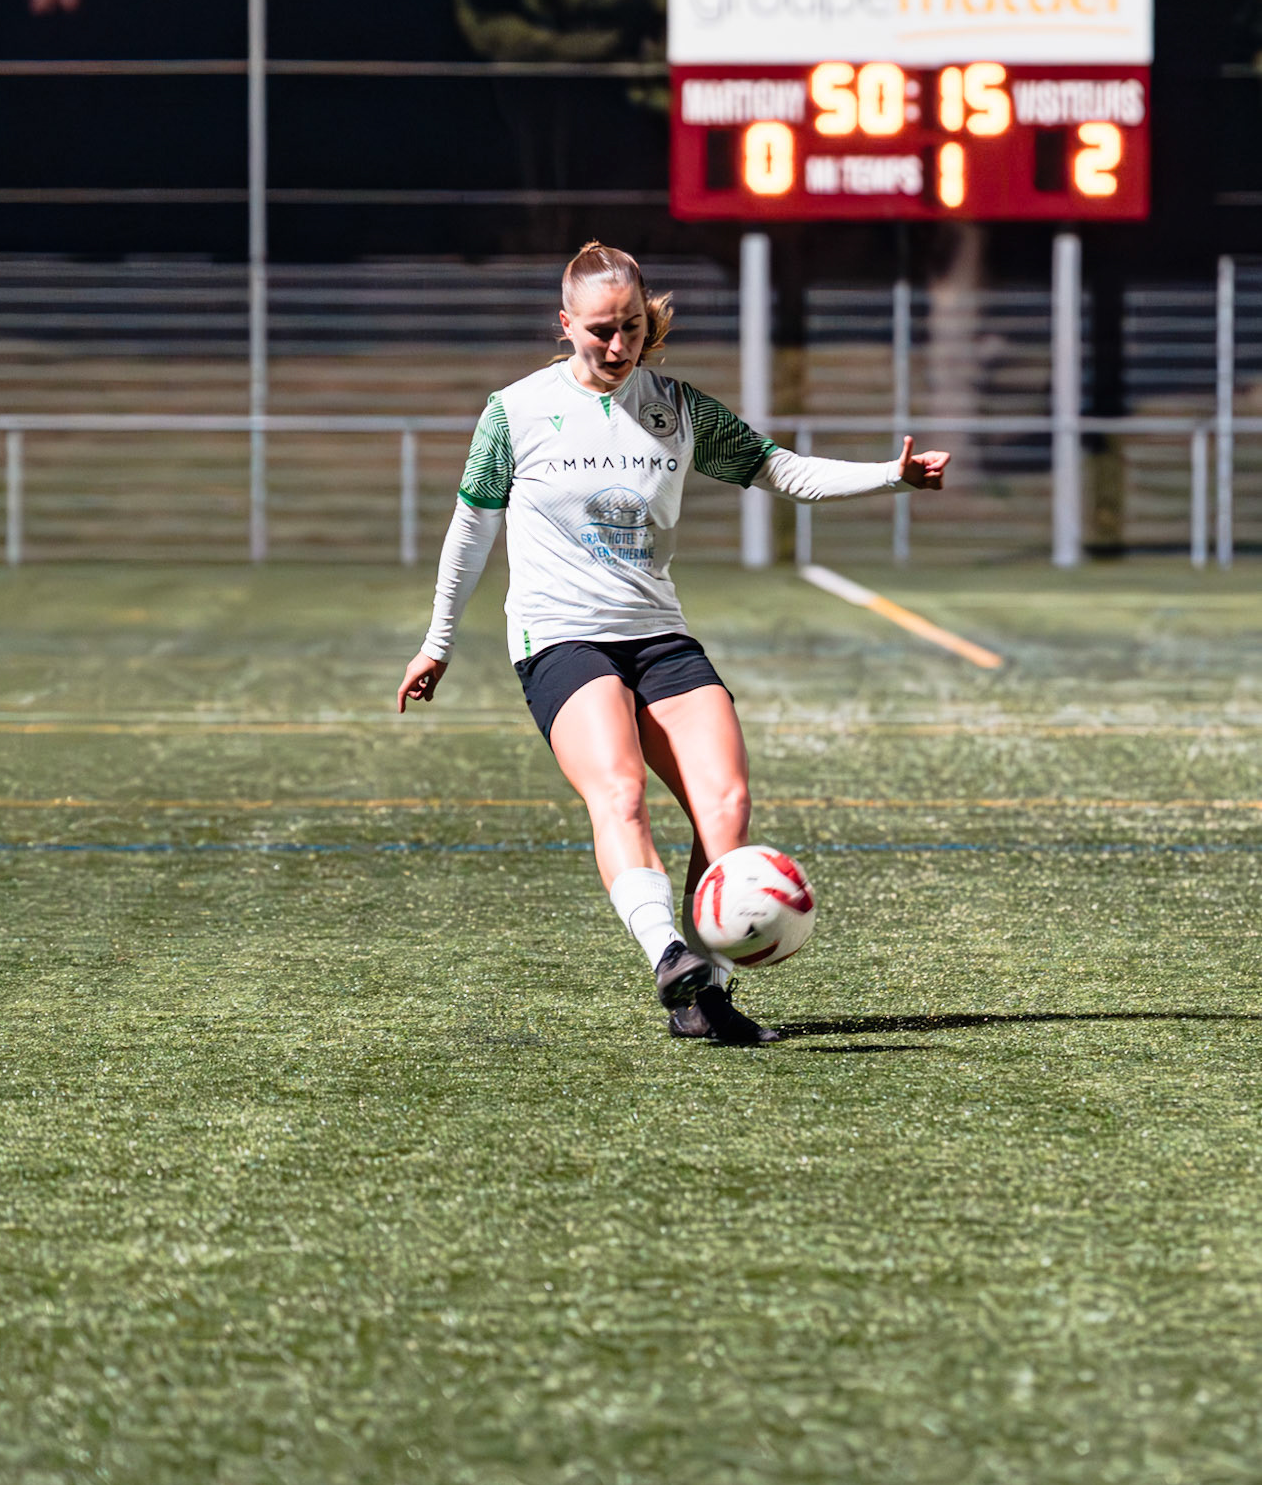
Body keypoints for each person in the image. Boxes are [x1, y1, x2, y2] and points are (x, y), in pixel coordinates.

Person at [398, 241, 949, 1044]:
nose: (616, 347)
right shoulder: (513, 412)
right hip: (560, 638)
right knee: (618, 793)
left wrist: (889, 476)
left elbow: (780, 470)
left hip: (657, 634)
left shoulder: (676, 408)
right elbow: (469, 532)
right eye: (598, 331)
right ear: (564, 325)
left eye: (629, 327)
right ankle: (665, 954)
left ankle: (707, 994)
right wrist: (437, 641)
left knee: (724, 806)